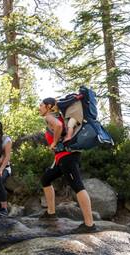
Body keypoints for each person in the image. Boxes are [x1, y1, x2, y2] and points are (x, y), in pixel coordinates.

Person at [38, 97, 96, 233]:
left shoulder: (49, 116)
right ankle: (51, 213)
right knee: (46, 179)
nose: (39, 108)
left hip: (67, 157)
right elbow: (60, 126)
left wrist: (54, 142)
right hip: (63, 158)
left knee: (77, 186)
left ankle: (89, 225)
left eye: (41, 105)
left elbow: (58, 126)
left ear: (48, 106)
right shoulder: (60, 116)